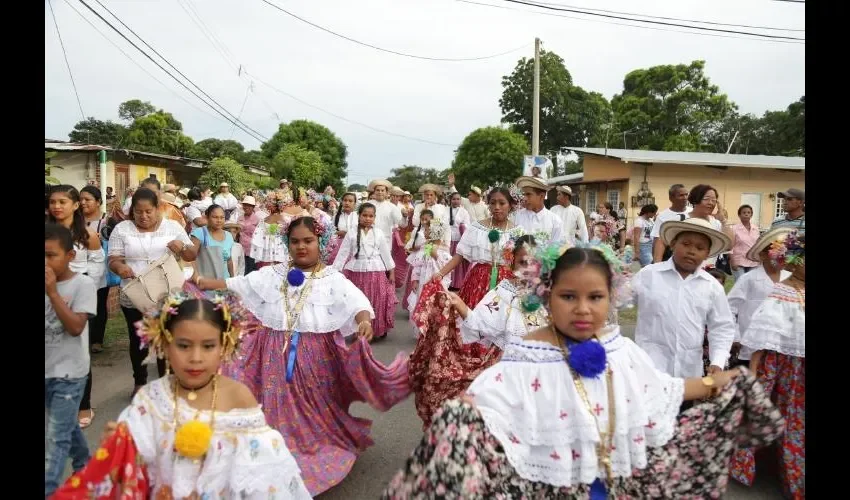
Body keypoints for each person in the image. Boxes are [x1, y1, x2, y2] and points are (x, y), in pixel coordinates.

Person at [383, 245, 784, 499]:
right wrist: (463, 414)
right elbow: (489, 406)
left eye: (595, 297)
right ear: (546, 294)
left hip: (611, 482)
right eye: (568, 296)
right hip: (551, 485)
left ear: (612, 298)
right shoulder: (526, 358)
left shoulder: (620, 349)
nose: (582, 309)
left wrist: (717, 381)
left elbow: (658, 389)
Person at [194, 216, 411, 496]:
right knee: (272, 400)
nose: (301, 247)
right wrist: (200, 280)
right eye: (294, 241)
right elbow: (238, 284)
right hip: (272, 351)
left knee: (317, 403)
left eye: (308, 241)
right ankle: (274, 450)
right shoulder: (273, 274)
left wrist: (364, 321)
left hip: (316, 357)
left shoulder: (332, 278)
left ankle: (315, 444)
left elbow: (358, 302)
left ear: (320, 243)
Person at [53, 290, 311, 499]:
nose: (195, 358)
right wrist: (121, 445)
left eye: (208, 346)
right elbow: (134, 463)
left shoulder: (239, 399)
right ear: (164, 344)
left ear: (225, 345)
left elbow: (262, 475)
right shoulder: (152, 398)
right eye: (183, 345)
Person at [408, 234, 538, 428]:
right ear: (511, 262)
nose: (528, 267)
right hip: (505, 365)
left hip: (540, 369)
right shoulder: (505, 291)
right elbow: (481, 323)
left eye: (535, 262)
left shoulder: (551, 293)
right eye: (522, 262)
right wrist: (460, 304)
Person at [732, 230, 805, 499]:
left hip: (801, 368)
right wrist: (753, 372)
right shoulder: (781, 292)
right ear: (795, 261)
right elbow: (762, 336)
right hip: (780, 366)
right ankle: (767, 467)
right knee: (776, 415)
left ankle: (788, 469)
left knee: (796, 420)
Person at [632, 218, 736, 406]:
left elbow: (722, 327)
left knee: (682, 425)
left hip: (687, 379)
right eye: (685, 244)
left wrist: (717, 361)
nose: (692, 251)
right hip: (649, 372)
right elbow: (620, 303)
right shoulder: (648, 275)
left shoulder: (712, 287)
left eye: (700, 247)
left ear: (707, 254)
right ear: (673, 244)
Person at [108, 188, 197, 396]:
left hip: (166, 294)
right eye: (139, 212)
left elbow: (192, 253)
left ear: (158, 209)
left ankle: (166, 384)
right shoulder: (122, 229)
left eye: (148, 211)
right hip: (135, 294)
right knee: (139, 340)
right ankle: (140, 382)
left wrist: (181, 248)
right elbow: (113, 259)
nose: (144, 216)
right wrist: (120, 268)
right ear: (132, 211)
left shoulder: (172, 226)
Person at [45, 224, 97, 497]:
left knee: (56, 438)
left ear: (70, 256)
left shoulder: (82, 284)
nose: (45, 262)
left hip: (69, 374)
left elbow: (76, 327)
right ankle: (86, 465)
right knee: (65, 426)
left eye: (51, 255)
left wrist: (53, 293)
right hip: (47, 369)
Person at [48, 186, 105, 431]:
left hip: (78, 299)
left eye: (63, 201)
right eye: (52, 202)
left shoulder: (87, 235)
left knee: (78, 354)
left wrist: (78, 294)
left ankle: (84, 405)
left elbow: (97, 269)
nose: (57, 207)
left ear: (75, 205)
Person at [726, 227, 793, 371]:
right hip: (751, 344)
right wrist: (736, 336)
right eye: (777, 252)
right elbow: (729, 308)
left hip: (782, 345)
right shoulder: (749, 279)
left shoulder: (790, 279)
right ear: (763, 255)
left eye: (785, 252)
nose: (782, 257)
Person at [332, 203, 398, 340]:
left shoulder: (379, 233)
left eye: (371, 216)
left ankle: (377, 330)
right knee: (358, 301)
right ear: (359, 216)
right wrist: (335, 272)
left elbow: (385, 254)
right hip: (357, 272)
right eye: (365, 215)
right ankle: (359, 331)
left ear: (375, 217)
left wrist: (391, 272)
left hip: (377, 271)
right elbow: (343, 253)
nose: (368, 218)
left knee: (377, 300)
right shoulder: (351, 232)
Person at [404, 210, 451, 317]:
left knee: (436, 304)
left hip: (437, 283)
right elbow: (419, 265)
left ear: (435, 233)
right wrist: (415, 280)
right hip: (423, 281)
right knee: (423, 303)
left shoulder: (443, 250)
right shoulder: (426, 247)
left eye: (427, 230)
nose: (424, 232)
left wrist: (436, 256)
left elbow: (447, 266)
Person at [685, 184, 734, 269]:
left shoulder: (716, 223)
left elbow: (729, 246)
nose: (711, 203)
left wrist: (723, 221)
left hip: (709, 271)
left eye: (714, 200)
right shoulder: (683, 220)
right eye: (707, 199)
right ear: (696, 199)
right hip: (686, 269)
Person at [511, 176, 564, 244]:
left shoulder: (555, 221)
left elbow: (557, 249)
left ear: (542, 196)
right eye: (523, 194)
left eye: (528, 194)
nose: (524, 198)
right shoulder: (516, 217)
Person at [190, 204, 236, 278]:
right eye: (215, 217)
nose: (219, 220)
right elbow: (191, 259)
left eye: (222, 217)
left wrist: (232, 279)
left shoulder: (229, 236)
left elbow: (229, 260)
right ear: (207, 217)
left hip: (224, 283)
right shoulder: (199, 233)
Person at [651, 183, 692, 263]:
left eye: (686, 195)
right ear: (671, 198)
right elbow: (657, 241)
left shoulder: (693, 212)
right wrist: (657, 263)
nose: (685, 198)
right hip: (669, 256)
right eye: (681, 195)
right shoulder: (662, 216)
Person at [367, 179, 406, 250]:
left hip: (385, 240)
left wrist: (404, 217)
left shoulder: (392, 207)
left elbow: (402, 224)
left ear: (387, 193)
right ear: (374, 191)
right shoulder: (367, 205)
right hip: (368, 239)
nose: (380, 192)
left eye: (382, 190)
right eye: (378, 190)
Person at [446, 192, 471, 289]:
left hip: (459, 240)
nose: (456, 201)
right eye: (454, 199)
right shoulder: (445, 210)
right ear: (450, 200)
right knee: (447, 260)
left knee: (458, 263)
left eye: (458, 199)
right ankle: (447, 282)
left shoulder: (464, 212)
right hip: (447, 240)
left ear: (460, 200)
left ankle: (457, 284)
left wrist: (462, 226)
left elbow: (467, 226)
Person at [730, 204, 761, 279]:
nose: (746, 214)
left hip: (753, 261)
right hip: (739, 261)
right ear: (739, 215)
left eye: (748, 212)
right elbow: (730, 247)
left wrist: (760, 260)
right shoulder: (734, 229)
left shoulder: (756, 229)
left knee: (751, 285)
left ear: (751, 215)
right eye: (744, 213)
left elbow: (758, 245)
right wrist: (732, 261)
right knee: (740, 284)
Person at [328, 192, 358, 265]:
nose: (347, 203)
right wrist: (338, 233)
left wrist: (348, 234)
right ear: (342, 202)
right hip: (339, 249)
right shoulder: (337, 216)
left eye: (350, 201)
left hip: (355, 247)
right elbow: (331, 231)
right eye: (345, 200)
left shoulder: (358, 216)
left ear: (355, 203)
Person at [235, 195, 260, 274]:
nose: (246, 207)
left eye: (248, 205)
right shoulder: (240, 218)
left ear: (253, 207)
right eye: (244, 205)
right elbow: (237, 232)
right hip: (241, 247)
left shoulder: (257, 219)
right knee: (241, 269)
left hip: (252, 248)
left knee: (250, 270)